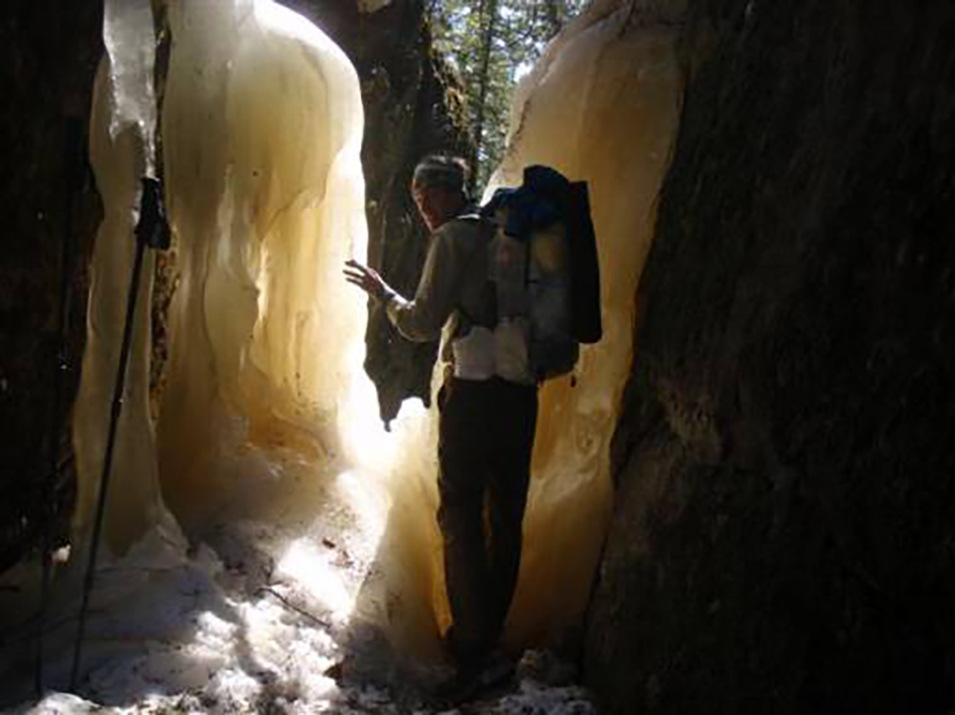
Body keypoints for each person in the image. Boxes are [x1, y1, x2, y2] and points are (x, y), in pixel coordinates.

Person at [343, 154, 538, 691]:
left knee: (460, 512)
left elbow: (422, 323)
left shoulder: (453, 238)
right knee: (505, 512)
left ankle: (473, 645)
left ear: (454, 192)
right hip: (520, 394)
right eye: (416, 193)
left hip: (473, 391)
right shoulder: (514, 235)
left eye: (430, 191)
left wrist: (384, 294)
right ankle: (491, 635)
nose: (423, 204)